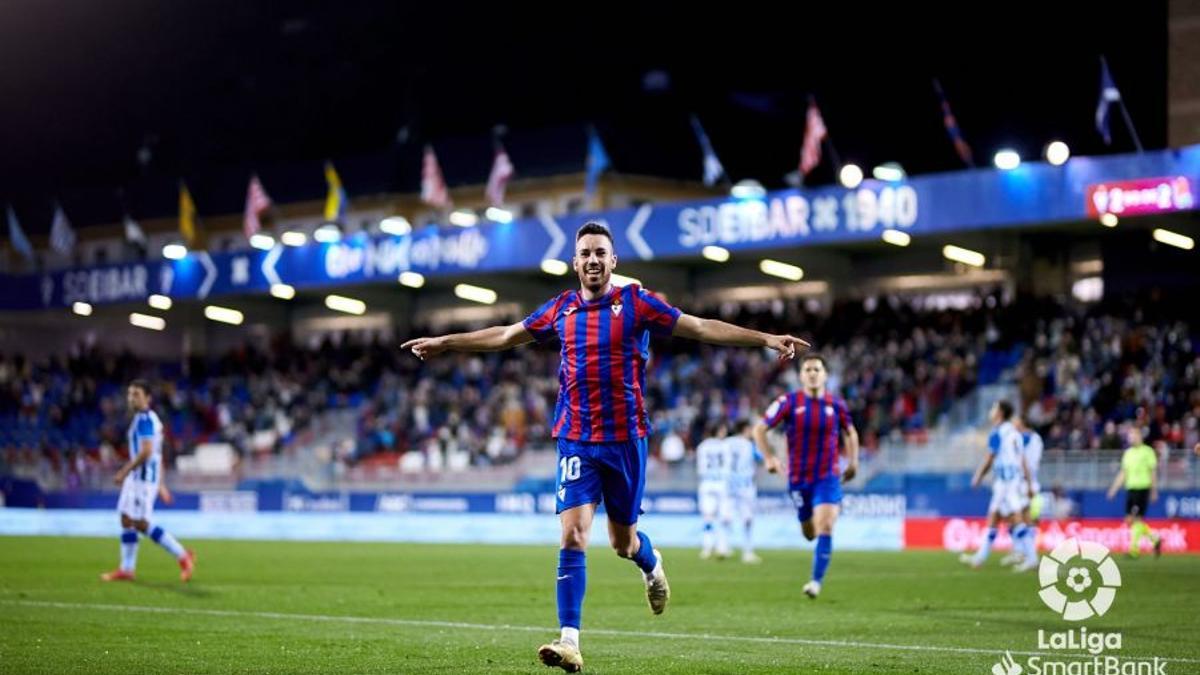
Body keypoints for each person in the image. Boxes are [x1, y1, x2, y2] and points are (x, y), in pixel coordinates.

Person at [401, 221, 808, 672]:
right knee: (573, 533)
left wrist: (765, 338)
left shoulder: (636, 304)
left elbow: (699, 327)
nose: (593, 260)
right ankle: (569, 640)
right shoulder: (560, 309)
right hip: (576, 438)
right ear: (575, 263)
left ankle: (651, 565)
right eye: (586, 253)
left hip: (625, 440)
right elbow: (502, 335)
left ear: (613, 261)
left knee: (622, 541)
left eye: (600, 253)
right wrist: (447, 342)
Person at [753, 353, 859, 599]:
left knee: (826, 525)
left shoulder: (837, 405)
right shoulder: (788, 402)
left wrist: (853, 461)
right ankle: (813, 544)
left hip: (827, 477)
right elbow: (760, 429)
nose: (812, 373)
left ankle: (815, 582)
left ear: (825, 375)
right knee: (809, 532)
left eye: (817, 369)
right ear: (801, 375)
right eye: (808, 369)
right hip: (799, 479)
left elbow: (850, 433)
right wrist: (769, 457)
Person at [100, 380, 196, 583]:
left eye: (136, 394)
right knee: (126, 518)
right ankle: (127, 568)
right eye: (130, 393)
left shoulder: (144, 420)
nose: (131, 398)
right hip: (140, 479)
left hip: (141, 480)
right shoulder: (152, 419)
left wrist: (123, 472)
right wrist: (161, 484)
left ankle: (182, 556)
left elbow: (147, 452)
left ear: (147, 398)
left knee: (142, 523)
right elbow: (158, 454)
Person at [961, 400, 1032, 569]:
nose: (991, 411)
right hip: (1013, 480)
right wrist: (1027, 482)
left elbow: (990, 457)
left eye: (994, 408)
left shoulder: (997, 433)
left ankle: (1031, 556)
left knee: (1016, 518)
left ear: (1000, 412)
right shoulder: (1015, 433)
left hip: (1005, 482)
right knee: (993, 517)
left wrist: (978, 476)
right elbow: (1022, 460)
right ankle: (980, 558)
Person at [1106, 428, 1162, 558]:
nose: (1131, 438)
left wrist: (1154, 491)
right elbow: (1123, 473)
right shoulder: (1128, 453)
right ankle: (1154, 538)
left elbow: (1152, 472)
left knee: (1137, 519)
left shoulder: (1148, 452)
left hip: (1142, 488)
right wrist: (1114, 489)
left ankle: (1134, 550)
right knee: (1129, 520)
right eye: (1129, 436)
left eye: (1133, 436)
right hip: (1130, 489)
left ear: (1139, 436)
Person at [725, 420, 765, 564]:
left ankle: (724, 546)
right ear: (746, 429)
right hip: (746, 486)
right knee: (747, 519)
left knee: (726, 517)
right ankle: (747, 552)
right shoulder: (749, 445)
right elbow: (761, 458)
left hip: (728, 485)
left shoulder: (726, 443)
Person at [695, 421, 732, 559]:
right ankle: (722, 547)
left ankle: (707, 548)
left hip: (706, 484)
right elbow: (728, 467)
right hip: (721, 484)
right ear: (718, 431)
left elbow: (700, 468)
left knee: (707, 517)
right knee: (723, 518)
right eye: (723, 430)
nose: (725, 432)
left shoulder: (702, 446)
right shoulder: (725, 446)